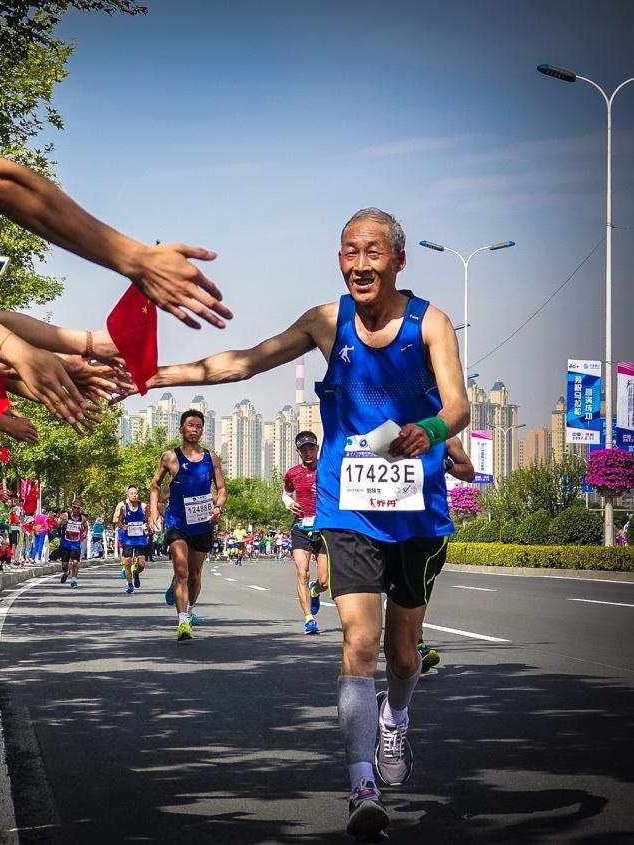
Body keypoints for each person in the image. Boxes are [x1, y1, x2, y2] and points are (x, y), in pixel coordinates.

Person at [149, 207, 469, 839]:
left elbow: (457, 403)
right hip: (348, 504)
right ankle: (360, 784)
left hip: (417, 507)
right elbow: (243, 362)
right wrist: (158, 375)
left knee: (403, 656)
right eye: (349, 252)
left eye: (373, 253)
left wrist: (429, 430)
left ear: (399, 261)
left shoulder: (430, 322)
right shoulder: (327, 321)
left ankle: (396, 720)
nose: (359, 264)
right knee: (358, 643)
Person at [150, 410, 226, 641]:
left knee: (194, 575)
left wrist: (218, 508)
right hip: (176, 522)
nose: (194, 429)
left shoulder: (211, 458)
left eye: (198, 426)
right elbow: (155, 484)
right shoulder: (170, 457)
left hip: (202, 524)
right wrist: (154, 510)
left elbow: (222, 490)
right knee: (181, 570)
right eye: (190, 425)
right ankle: (182, 621)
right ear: (181, 429)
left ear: (203, 430)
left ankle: (189, 609)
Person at [414, 436, 476, 672]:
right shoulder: (386, 426)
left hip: (432, 524)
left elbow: (469, 472)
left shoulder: (446, 437)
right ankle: (415, 643)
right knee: (402, 586)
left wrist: (447, 465)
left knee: (422, 587)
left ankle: (412, 638)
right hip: (393, 523)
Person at [284, 431, 328, 635]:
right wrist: (290, 503)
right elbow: (285, 494)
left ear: (317, 448)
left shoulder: (328, 468)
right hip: (301, 527)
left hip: (325, 528)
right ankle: (309, 618)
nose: (308, 452)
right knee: (302, 571)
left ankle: (315, 590)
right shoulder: (292, 473)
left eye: (311, 448)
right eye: (303, 449)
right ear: (298, 452)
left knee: (324, 582)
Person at [113, 486, 148, 594]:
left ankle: (136, 573)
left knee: (141, 564)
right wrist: (121, 525)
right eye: (132, 493)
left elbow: (149, 518)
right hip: (128, 538)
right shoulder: (122, 505)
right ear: (127, 495)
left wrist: (148, 525)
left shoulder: (143, 506)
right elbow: (115, 519)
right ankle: (129, 584)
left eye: (136, 493)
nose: (134, 495)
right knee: (127, 562)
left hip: (140, 538)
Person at [57, 501, 86, 587]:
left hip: (75, 544)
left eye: (78, 508)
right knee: (64, 565)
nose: (76, 509)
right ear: (72, 507)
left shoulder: (83, 518)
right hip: (65, 543)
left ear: (80, 509)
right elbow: (56, 525)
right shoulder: (65, 516)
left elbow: (86, 526)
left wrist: (85, 532)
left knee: (75, 562)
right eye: (74, 507)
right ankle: (66, 572)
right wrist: (60, 523)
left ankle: (74, 581)